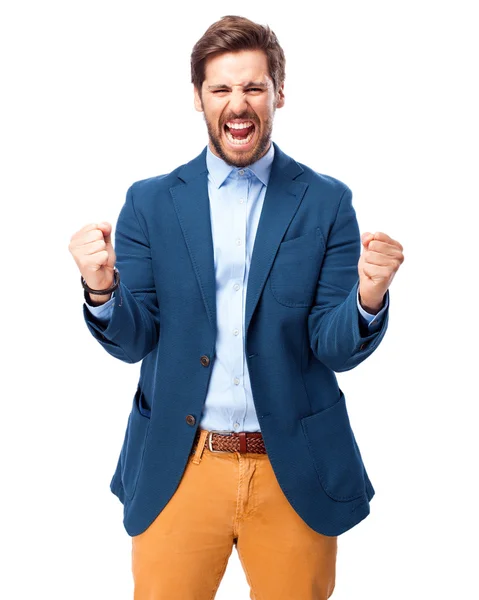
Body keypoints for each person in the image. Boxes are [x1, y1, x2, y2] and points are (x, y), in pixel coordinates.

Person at [69, 15, 404, 600]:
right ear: (197, 98)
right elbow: (133, 338)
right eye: (221, 89)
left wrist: (368, 298)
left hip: (292, 468)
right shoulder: (150, 203)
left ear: (278, 92)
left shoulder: (326, 201)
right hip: (179, 465)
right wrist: (102, 288)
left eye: (253, 86)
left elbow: (333, 345)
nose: (238, 102)